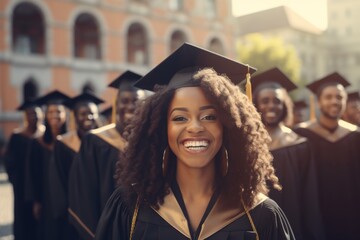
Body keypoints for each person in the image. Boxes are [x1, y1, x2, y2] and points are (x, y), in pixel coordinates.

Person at [95, 43, 295, 240]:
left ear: (228, 126)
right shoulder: (131, 208)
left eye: (209, 117)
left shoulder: (262, 215)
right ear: (161, 129)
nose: (195, 127)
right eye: (180, 118)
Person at [68, 70, 143, 240]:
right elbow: (83, 194)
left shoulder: (153, 143)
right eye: (124, 101)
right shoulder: (95, 142)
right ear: (116, 104)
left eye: (136, 101)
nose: (130, 106)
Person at [252, 67, 324, 240]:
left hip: (293, 224)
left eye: (276, 101)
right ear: (254, 104)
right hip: (254, 225)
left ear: (284, 104)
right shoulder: (246, 144)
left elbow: (309, 198)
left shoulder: (299, 145)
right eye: (265, 100)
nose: (271, 105)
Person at [294, 72, 360, 240]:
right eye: (328, 97)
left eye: (339, 97)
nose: (334, 101)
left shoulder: (355, 136)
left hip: (351, 217)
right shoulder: (301, 135)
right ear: (318, 101)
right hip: (314, 216)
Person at [50, 92, 104, 240]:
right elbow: (58, 180)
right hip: (73, 212)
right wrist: (65, 211)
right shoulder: (63, 144)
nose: (88, 117)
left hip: (100, 208)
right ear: (75, 116)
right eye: (83, 113)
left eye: (92, 113)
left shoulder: (104, 144)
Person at [24, 90, 70, 240]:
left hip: (69, 201)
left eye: (58, 111)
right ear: (45, 115)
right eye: (50, 112)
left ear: (65, 114)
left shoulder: (72, 143)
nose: (54, 115)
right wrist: (36, 201)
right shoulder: (38, 143)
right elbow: (32, 174)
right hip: (46, 199)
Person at [4, 99, 45, 240]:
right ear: (25, 117)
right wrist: (16, 180)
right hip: (21, 187)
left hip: (41, 188)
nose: (33, 116)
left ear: (42, 115)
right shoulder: (17, 136)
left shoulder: (45, 137)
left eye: (36, 113)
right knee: (22, 219)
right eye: (30, 114)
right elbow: (9, 162)